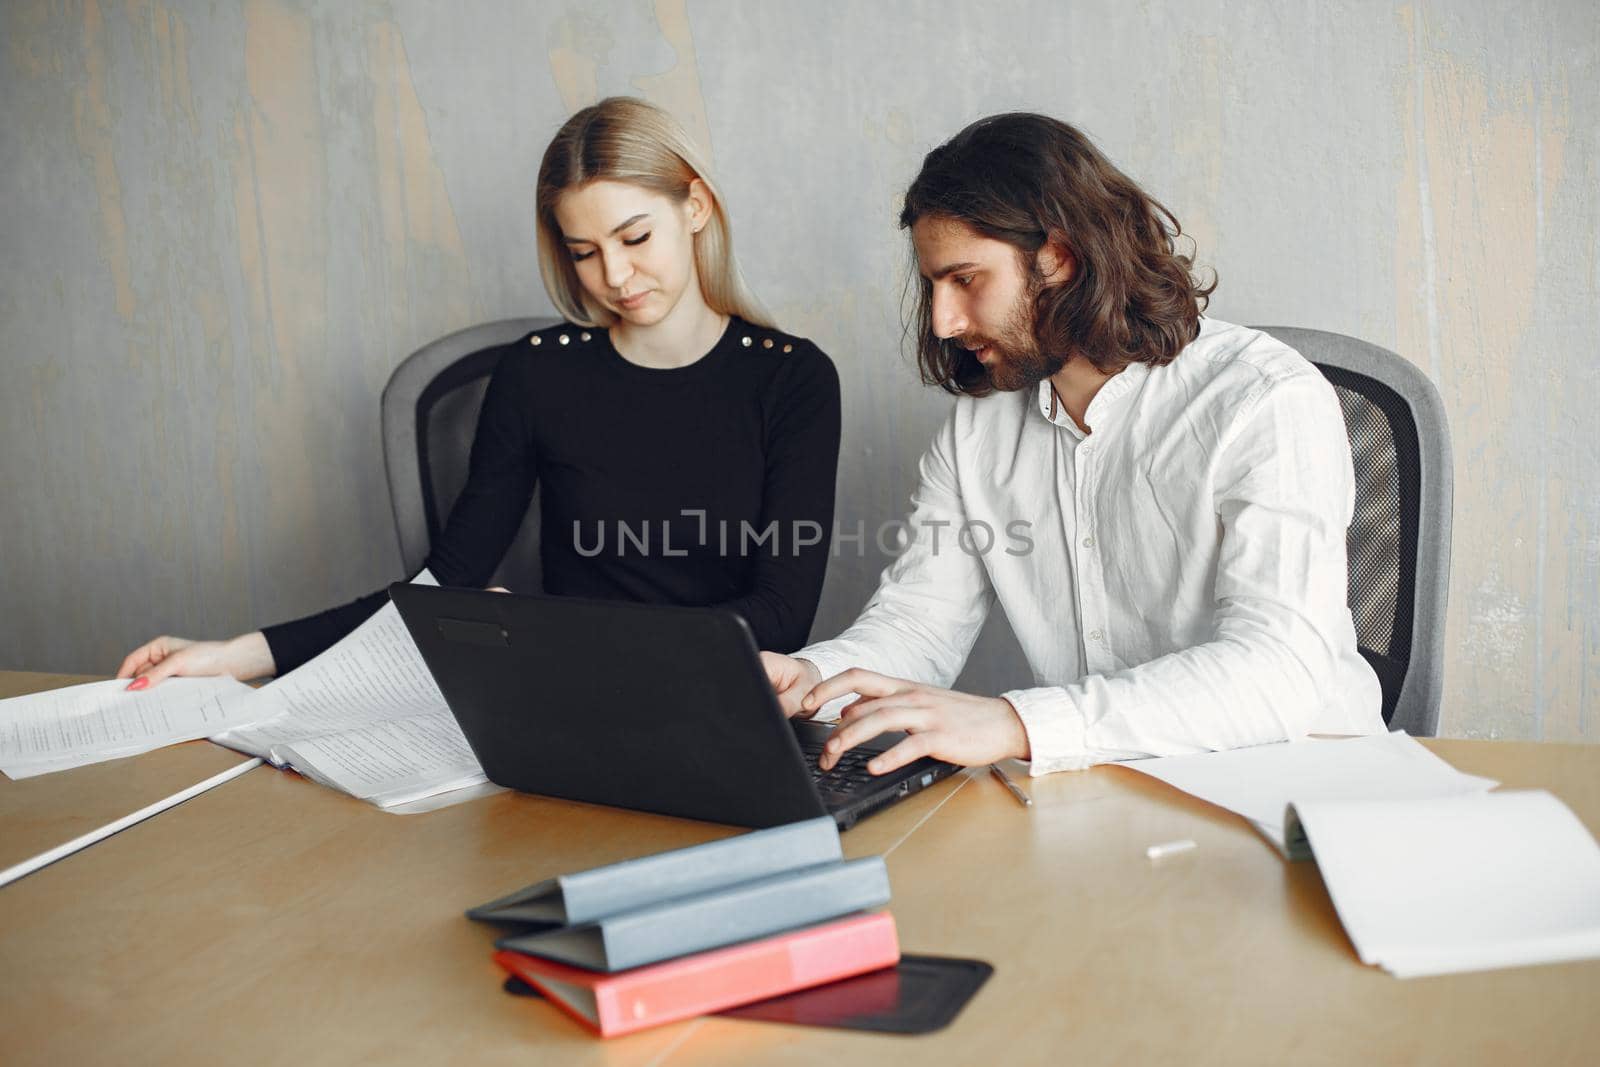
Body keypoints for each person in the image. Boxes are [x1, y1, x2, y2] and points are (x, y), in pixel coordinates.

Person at [119, 96, 841, 689]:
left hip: (712, 696)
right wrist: (237, 655)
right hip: (564, 696)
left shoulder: (792, 379)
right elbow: (445, 581)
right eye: (584, 253)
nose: (615, 277)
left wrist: (554, 632)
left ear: (696, 207)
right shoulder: (540, 373)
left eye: (635, 237)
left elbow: (780, 615)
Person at [761, 112, 1383, 778]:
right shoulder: (977, 431)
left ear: (1058, 256)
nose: (943, 321)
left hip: (1303, 786)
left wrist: (1015, 722)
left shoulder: (1265, 398)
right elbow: (919, 623)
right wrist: (809, 676)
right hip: (1108, 791)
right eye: (933, 285)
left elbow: (1276, 671)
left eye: (966, 279)